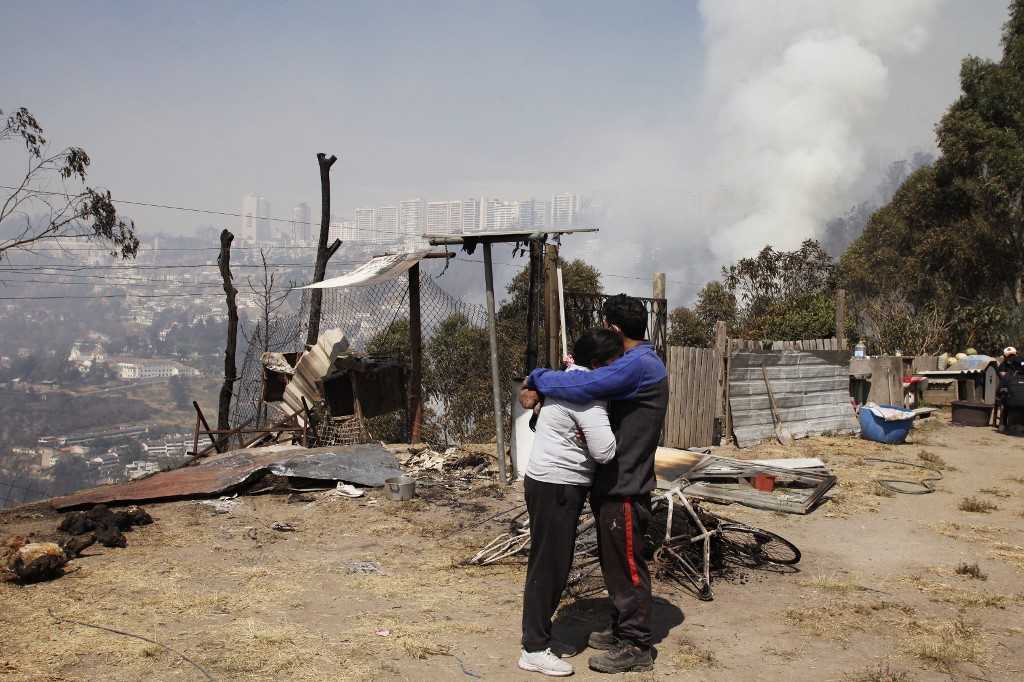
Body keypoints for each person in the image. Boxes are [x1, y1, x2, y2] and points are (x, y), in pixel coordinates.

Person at [520, 294, 669, 674]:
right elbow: (582, 379)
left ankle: (635, 643)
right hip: (607, 482)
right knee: (615, 564)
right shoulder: (638, 361)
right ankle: (622, 629)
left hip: (626, 483)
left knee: (627, 566)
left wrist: (537, 378)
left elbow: (583, 384)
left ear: (614, 330)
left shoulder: (636, 365)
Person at [518, 328, 624, 677]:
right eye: (613, 362)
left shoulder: (562, 382)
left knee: (548, 561)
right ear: (597, 364)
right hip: (559, 486)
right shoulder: (587, 398)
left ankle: (542, 637)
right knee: (550, 566)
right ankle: (533, 648)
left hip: (544, 480)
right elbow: (605, 450)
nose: (617, 368)